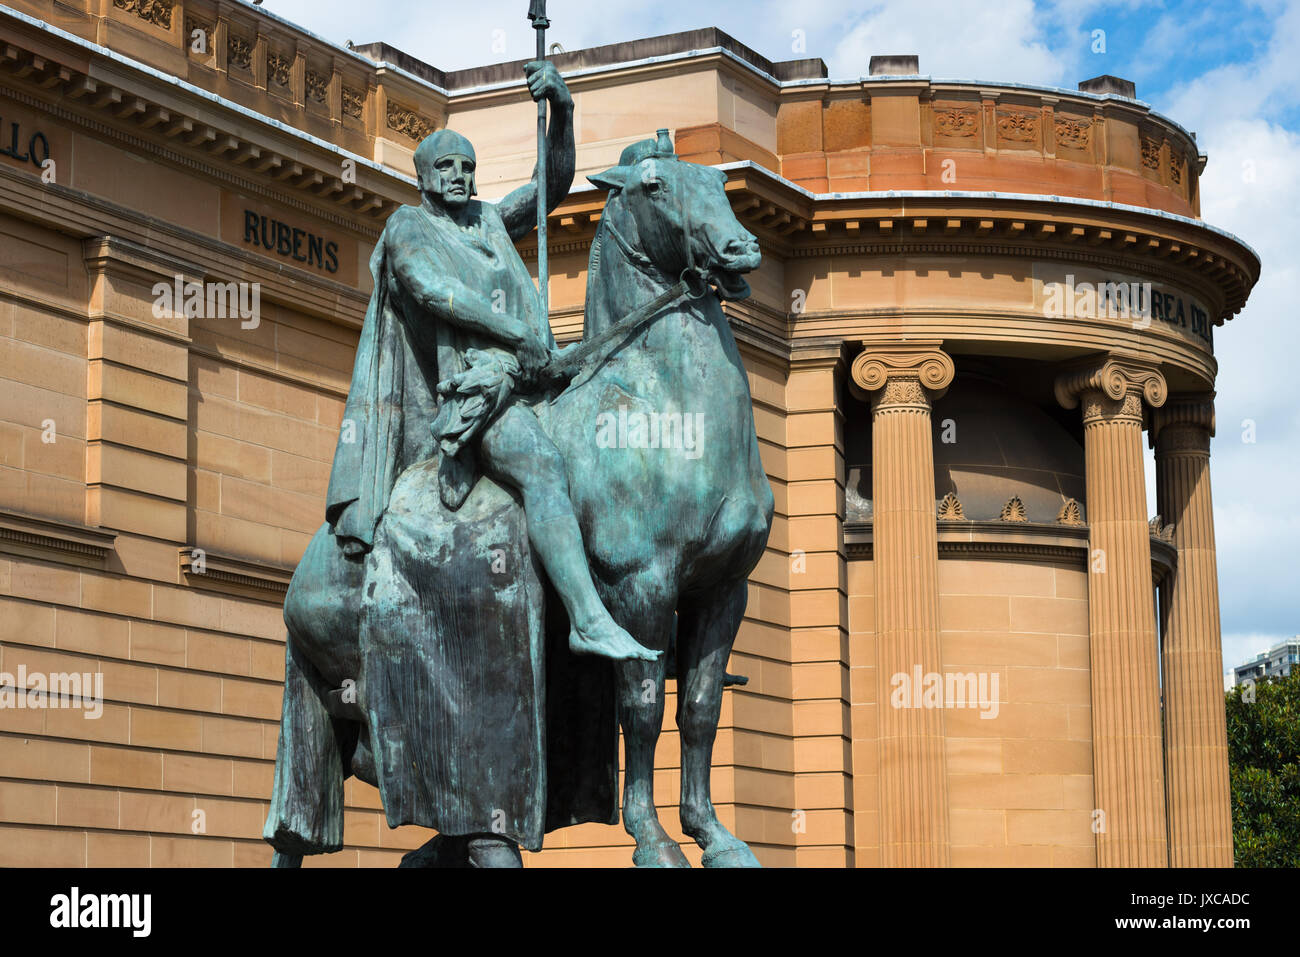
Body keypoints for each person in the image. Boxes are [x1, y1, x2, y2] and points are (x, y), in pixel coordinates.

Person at [325, 59, 656, 668]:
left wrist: (564, 110)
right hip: (477, 391)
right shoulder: (408, 227)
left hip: (535, 375)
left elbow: (550, 186)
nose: (460, 176)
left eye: (468, 167)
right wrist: (514, 334)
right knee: (545, 467)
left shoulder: (486, 221)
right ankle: (586, 620)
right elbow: (434, 292)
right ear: (423, 177)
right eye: (446, 167)